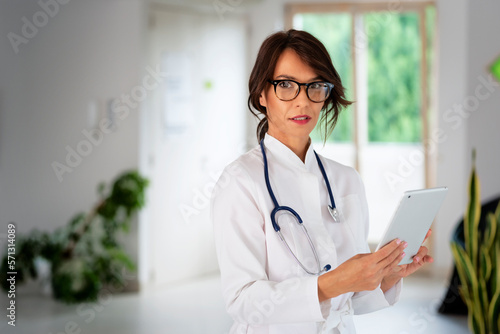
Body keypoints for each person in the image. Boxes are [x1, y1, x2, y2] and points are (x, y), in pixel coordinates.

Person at [211, 29, 433, 334]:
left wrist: (388, 275)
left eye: (315, 86)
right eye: (286, 85)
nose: (303, 101)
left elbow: (350, 301)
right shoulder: (240, 181)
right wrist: (330, 284)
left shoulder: (346, 180)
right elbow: (243, 301)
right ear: (262, 94)